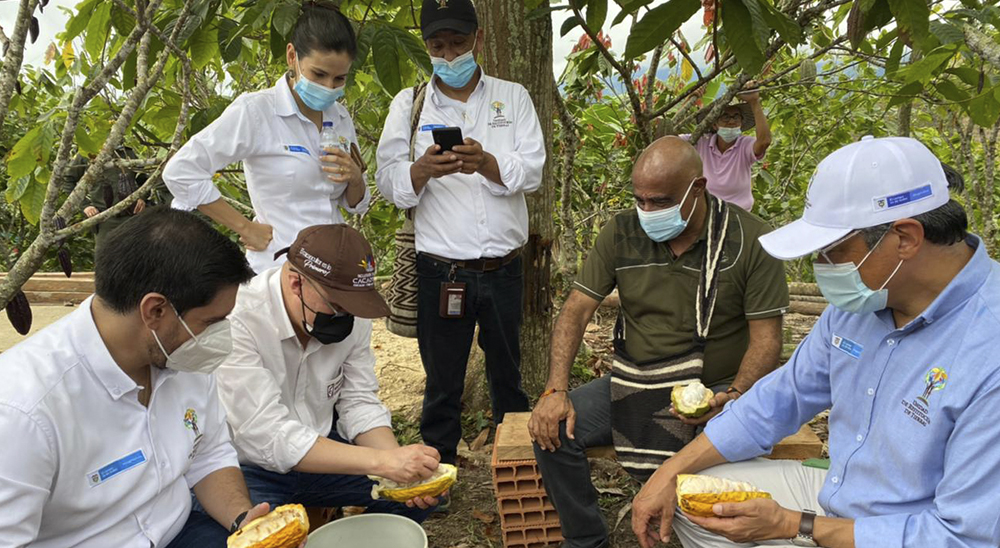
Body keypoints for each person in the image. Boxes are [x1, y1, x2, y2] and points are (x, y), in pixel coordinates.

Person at [630, 136, 1000, 548]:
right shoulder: (862, 305)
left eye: (831, 250)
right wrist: (668, 472)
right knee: (692, 499)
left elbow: (965, 537)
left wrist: (796, 525)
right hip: (842, 498)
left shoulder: (988, 349)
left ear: (906, 238)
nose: (820, 267)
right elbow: (778, 400)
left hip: (915, 530)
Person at [529, 136, 789, 548]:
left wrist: (735, 396)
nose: (648, 211)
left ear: (698, 188)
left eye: (661, 201)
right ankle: (586, 539)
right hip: (634, 379)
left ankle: (699, 534)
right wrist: (555, 389)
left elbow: (765, 340)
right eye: (641, 200)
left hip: (715, 385)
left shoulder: (749, 241)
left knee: (728, 453)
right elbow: (576, 309)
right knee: (554, 428)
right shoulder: (623, 231)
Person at [0, 207, 290, 547]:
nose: (221, 336)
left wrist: (244, 521)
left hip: (180, 531)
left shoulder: (182, 355)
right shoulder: (23, 411)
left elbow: (210, 454)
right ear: (155, 310)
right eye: (212, 322)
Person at [375, 0, 545, 472]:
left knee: (508, 375)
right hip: (441, 271)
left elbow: (533, 170)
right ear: (426, 47)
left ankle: (517, 464)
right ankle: (437, 471)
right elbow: (388, 182)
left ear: (479, 40)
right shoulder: (408, 105)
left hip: (504, 268)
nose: (449, 56)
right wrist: (421, 171)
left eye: (458, 43)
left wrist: (488, 163)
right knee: (443, 379)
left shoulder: (513, 98)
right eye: (438, 46)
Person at [213, 224, 442, 521]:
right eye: (337, 305)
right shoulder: (239, 319)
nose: (346, 316)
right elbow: (266, 435)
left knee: (415, 496)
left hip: (322, 451)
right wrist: (382, 462)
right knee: (254, 536)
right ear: (296, 283)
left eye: (353, 307)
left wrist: (399, 466)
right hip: (251, 467)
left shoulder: (352, 317)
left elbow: (359, 401)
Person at [164, 2, 368, 273]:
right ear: (292, 56)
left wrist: (355, 178)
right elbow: (182, 171)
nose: (328, 87)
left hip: (333, 269)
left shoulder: (340, 118)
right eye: (319, 74)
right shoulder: (257, 111)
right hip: (278, 270)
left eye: (339, 79)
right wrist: (245, 227)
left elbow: (353, 204)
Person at [64, 147, 170, 255]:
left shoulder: (127, 153)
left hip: (132, 216)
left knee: (138, 257)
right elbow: (68, 180)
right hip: (104, 219)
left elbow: (143, 179)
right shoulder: (86, 153)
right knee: (106, 259)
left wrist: (142, 197)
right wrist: (85, 206)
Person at [682, 84, 771, 211]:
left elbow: (764, 142)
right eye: (725, 117)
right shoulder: (702, 142)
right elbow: (668, 136)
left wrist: (754, 101)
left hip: (739, 212)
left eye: (736, 117)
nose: (731, 121)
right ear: (714, 124)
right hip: (707, 211)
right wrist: (689, 102)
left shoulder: (744, 145)